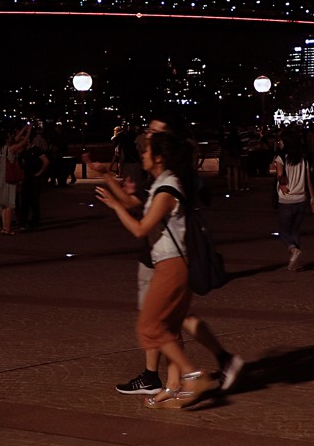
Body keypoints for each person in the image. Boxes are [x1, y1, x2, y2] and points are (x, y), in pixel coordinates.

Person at [87, 113, 243, 398]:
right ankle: (176, 385)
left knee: (151, 326)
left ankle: (191, 375)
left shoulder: (168, 185)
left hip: (170, 264)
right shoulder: (160, 182)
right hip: (168, 262)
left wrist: (115, 205)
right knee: (169, 324)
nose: (144, 146)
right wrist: (110, 179)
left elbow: (140, 228)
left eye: (150, 144)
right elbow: (139, 206)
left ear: (161, 154)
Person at [270, 126, 314, 271]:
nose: (279, 143)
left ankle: (293, 250)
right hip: (301, 199)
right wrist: (313, 199)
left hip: (287, 199)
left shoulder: (281, 157)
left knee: (284, 230)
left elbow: (279, 174)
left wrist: (282, 183)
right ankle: (295, 262)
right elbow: (308, 180)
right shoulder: (303, 159)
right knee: (295, 230)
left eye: (281, 141)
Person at [0, 125, 31, 235]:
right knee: (10, 205)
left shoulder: (2, 149)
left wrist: (24, 129)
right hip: (9, 180)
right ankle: (8, 228)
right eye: (10, 136)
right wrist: (29, 131)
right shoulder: (11, 149)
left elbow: (16, 139)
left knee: (4, 205)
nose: (13, 137)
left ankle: (5, 228)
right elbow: (23, 142)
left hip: (2, 179)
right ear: (6, 139)